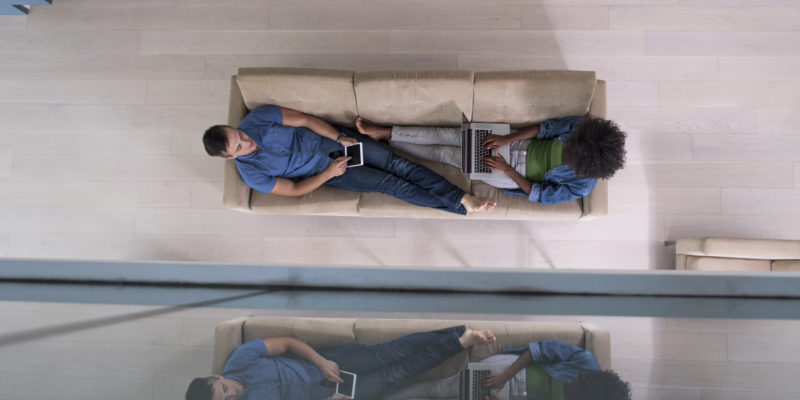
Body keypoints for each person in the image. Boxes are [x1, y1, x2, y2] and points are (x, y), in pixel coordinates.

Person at [202, 105, 496, 215]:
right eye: (239, 147)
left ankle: (462, 199)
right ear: (230, 157)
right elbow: (292, 190)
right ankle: (458, 205)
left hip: (335, 140)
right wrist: (329, 174)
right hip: (331, 172)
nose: (246, 142)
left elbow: (304, 119)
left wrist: (339, 138)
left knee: (400, 165)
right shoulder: (251, 173)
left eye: (240, 135)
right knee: (392, 185)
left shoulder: (258, 119)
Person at [355, 115, 626, 205]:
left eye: (569, 158)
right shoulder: (581, 127)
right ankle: (385, 133)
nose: (565, 153)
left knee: (445, 154)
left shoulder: (582, 186)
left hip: (511, 172)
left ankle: (391, 141)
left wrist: (506, 168)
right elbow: (546, 129)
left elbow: (538, 194)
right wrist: (507, 140)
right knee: (448, 136)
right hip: (517, 142)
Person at [185, 325, 496, 400]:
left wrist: (321, 363)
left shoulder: (240, 360)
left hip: (326, 364)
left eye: (224, 389)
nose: (232, 394)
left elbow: (289, 343)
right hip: (326, 394)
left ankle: (459, 332)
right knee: (399, 374)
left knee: (390, 354)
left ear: (217, 376)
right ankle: (459, 344)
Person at [385, 339, 631, 400]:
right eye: (576, 382)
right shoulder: (585, 362)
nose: (571, 385)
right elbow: (539, 349)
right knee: (437, 390)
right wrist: (507, 374)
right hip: (509, 374)